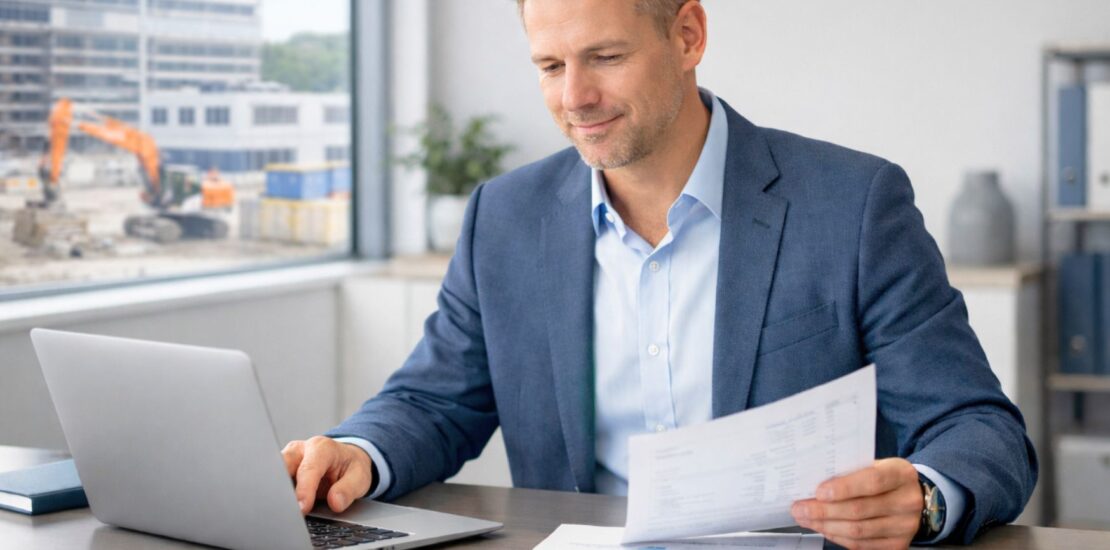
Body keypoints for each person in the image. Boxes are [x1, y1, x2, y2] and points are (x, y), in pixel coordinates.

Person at [281, 1, 1037, 548]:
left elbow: (979, 429)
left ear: (687, 34)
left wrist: (927, 499)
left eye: (604, 57)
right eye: (549, 65)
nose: (573, 97)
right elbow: (432, 402)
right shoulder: (504, 218)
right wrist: (357, 452)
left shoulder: (851, 206)